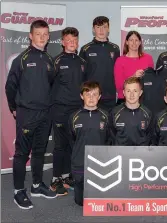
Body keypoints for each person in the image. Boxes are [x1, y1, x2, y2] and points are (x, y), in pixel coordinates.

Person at [5, 20, 57, 210]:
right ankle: (18, 191)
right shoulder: (22, 59)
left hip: (45, 115)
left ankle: (36, 185)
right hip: (27, 114)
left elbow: (51, 85)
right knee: (21, 154)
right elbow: (10, 86)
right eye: (38, 34)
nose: (42, 38)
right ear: (30, 36)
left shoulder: (50, 59)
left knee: (39, 151)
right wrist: (14, 107)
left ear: (49, 36)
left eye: (45, 34)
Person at [50, 27, 87, 196]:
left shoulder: (81, 62)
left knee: (73, 145)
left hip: (77, 110)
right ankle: (55, 179)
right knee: (60, 146)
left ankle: (66, 177)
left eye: (75, 40)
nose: (72, 43)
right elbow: (48, 85)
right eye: (69, 40)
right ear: (63, 42)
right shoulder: (56, 61)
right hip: (59, 109)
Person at [70, 81, 110, 206]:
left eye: (94, 94)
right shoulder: (74, 117)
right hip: (80, 163)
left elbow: (109, 138)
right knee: (80, 202)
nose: (91, 98)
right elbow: (72, 140)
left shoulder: (106, 116)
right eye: (88, 94)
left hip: (100, 164)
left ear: (99, 96)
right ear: (82, 96)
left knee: (99, 201)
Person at [79, 16, 120, 112]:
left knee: (109, 125)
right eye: (98, 27)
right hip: (91, 96)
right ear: (93, 29)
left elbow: (118, 72)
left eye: (104, 27)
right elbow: (81, 75)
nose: (101, 30)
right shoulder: (86, 49)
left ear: (108, 29)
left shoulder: (115, 48)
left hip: (110, 96)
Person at [110, 76, 153, 145]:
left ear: (140, 93)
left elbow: (150, 137)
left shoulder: (147, 113)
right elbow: (112, 136)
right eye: (128, 91)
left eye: (135, 91)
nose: (131, 94)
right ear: (124, 93)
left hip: (141, 154)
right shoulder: (115, 112)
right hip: (120, 153)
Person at [114, 30, 154, 104]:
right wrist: (134, 76)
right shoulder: (120, 60)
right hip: (125, 100)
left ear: (140, 42)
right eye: (131, 40)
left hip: (144, 99)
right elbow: (119, 86)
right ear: (126, 42)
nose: (134, 43)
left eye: (136, 40)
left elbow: (151, 81)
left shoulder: (148, 58)